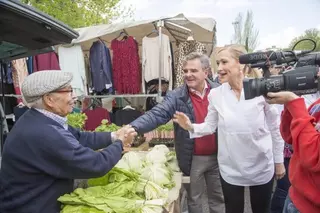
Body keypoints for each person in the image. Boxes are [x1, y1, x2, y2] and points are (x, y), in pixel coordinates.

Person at [0, 71, 136, 213]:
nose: (74, 97)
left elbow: (79, 137)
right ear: (49, 100)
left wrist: (114, 136)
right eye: (69, 91)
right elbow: (94, 164)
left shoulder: (40, 118)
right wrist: (120, 143)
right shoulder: (43, 133)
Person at [173, 44, 285, 213]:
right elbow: (210, 126)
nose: (219, 68)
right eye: (218, 63)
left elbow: (275, 129)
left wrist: (279, 161)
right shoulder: (216, 95)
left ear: (241, 64)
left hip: (261, 165)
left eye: (224, 62)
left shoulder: (262, 89)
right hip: (231, 168)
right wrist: (190, 126)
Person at [130, 52, 224, 213]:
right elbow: (157, 114)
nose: (188, 75)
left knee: (218, 198)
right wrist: (133, 127)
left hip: (219, 156)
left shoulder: (220, 91)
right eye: (185, 71)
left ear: (206, 72)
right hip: (192, 158)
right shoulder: (176, 96)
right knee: (194, 199)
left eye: (193, 71)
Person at [266, 82, 320, 213]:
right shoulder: (317, 105)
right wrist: (290, 106)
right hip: (295, 196)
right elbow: (290, 137)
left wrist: (294, 102)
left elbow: (312, 156)